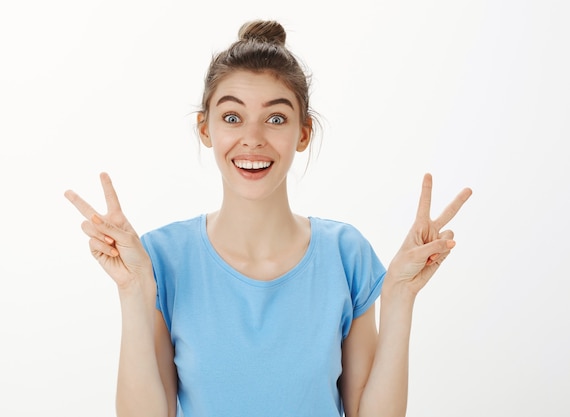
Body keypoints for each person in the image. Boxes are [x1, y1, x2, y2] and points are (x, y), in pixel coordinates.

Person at [65, 20, 472, 417]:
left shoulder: (346, 255)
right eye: (232, 117)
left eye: (276, 118)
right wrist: (134, 292)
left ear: (303, 132)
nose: (253, 138)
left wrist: (399, 297)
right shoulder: (162, 258)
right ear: (205, 130)